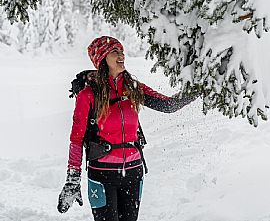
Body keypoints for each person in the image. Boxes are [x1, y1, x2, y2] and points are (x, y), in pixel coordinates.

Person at [57, 36, 197, 221]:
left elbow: (169, 105)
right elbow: (76, 139)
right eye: (115, 52)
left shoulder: (133, 88)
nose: (121, 55)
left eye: (121, 51)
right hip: (102, 174)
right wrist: (73, 178)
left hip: (133, 172)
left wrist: (200, 88)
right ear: (102, 59)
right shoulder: (88, 95)